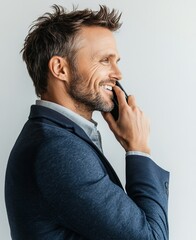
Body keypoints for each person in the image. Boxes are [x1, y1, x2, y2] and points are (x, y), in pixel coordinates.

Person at [5, 4, 170, 240]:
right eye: (104, 60)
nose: (118, 74)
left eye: (116, 61)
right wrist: (139, 149)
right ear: (60, 69)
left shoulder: (58, 137)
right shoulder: (59, 150)